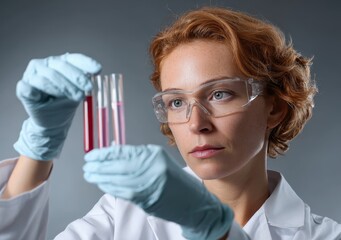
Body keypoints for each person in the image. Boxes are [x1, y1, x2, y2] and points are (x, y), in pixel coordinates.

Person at [0, 6, 340, 240]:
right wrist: (39, 146)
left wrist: (211, 226)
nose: (196, 123)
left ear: (275, 108)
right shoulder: (123, 216)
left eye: (220, 94)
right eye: (177, 102)